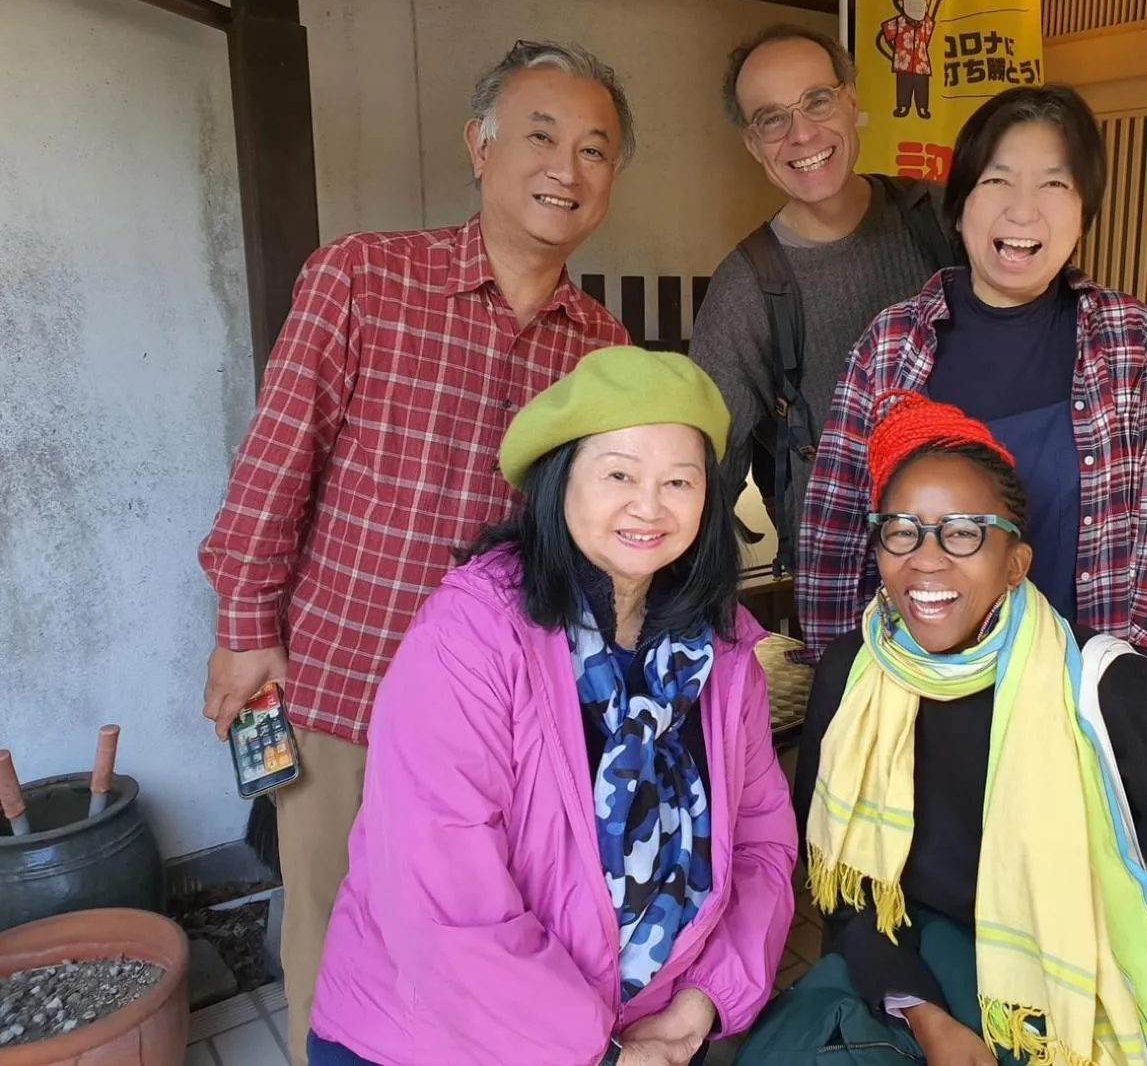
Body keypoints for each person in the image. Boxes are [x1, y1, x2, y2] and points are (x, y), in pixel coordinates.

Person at [197, 40, 635, 1065]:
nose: (564, 169)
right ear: (479, 147)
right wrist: (244, 628)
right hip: (348, 682)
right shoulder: (363, 274)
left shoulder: (604, 352)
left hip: (508, 713)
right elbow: (275, 462)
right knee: (333, 934)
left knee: (481, 942)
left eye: (594, 150)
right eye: (539, 135)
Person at [739, 392, 1147, 1066]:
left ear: (1015, 562)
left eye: (964, 531)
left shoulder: (1113, 694)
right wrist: (924, 1013)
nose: (927, 559)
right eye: (901, 531)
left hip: (1091, 1001)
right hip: (922, 978)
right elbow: (852, 895)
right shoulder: (851, 677)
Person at [306, 347, 798, 1066]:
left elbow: (763, 845)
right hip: (434, 1041)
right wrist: (598, 1054)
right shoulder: (469, 638)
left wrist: (703, 1003)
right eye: (619, 474)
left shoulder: (718, 658)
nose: (648, 506)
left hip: (646, 1030)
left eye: (678, 481)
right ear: (559, 479)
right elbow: (443, 903)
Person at [796, 84, 1147, 666]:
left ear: (1085, 213)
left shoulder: (1126, 337)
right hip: (916, 684)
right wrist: (839, 678)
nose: (1023, 210)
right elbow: (836, 529)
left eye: (1055, 184)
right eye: (997, 180)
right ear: (959, 206)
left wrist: (1131, 683)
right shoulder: (893, 341)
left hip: (1072, 685)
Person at [689, 24, 955, 574]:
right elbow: (708, 469)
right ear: (752, 143)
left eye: (817, 100)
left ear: (852, 100)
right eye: (772, 118)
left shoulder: (943, 219)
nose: (802, 133)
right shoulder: (748, 283)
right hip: (843, 578)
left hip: (978, 549)